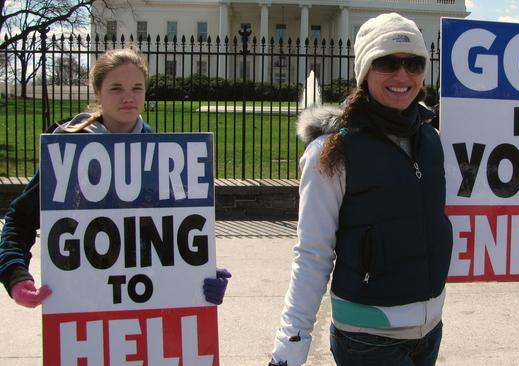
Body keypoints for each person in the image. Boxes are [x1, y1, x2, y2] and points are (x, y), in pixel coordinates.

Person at [270, 13, 452, 366]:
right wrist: (289, 346)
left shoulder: (432, 139)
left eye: (414, 63)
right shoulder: (332, 151)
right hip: (368, 340)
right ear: (365, 70)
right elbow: (312, 255)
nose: (403, 75)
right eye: (387, 62)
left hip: (430, 332)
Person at [0, 47, 229, 308]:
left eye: (137, 88)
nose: (128, 97)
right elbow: (20, 219)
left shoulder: (162, 153)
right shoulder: (68, 147)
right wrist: (15, 275)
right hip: (81, 297)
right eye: (116, 88)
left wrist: (200, 276)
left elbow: (178, 231)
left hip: (146, 296)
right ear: (97, 91)